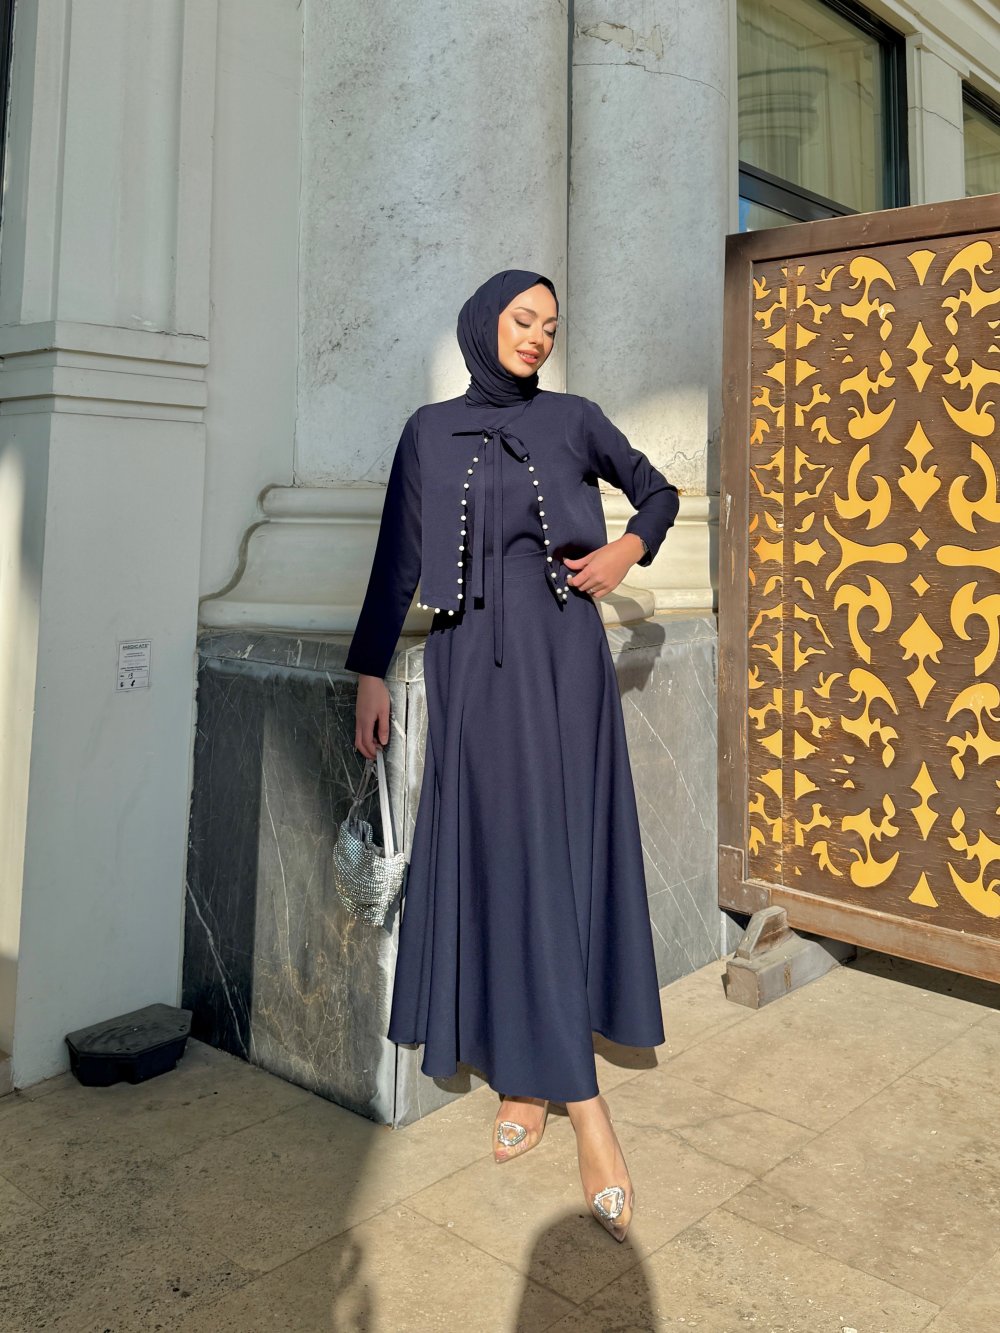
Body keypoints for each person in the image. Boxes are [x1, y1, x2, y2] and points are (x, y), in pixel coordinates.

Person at [345, 269, 680, 1241]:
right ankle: (523, 1078)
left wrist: (624, 551)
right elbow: (397, 558)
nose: (537, 336)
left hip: (560, 658)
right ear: (483, 324)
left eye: (550, 326)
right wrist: (370, 671)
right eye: (522, 319)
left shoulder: (573, 418)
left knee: (551, 854)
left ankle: (584, 1110)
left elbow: (657, 492)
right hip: (469, 669)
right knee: (500, 857)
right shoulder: (428, 431)